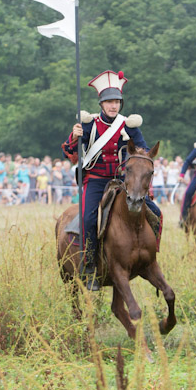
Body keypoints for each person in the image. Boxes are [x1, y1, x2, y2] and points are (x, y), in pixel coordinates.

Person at [62, 70, 162, 291]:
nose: (113, 106)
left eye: (116, 101)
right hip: (96, 180)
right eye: (109, 102)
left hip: (121, 182)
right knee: (88, 219)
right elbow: (69, 151)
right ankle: (89, 266)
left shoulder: (129, 126)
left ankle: (150, 257)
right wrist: (75, 135)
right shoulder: (89, 124)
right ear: (101, 104)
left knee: (155, 212)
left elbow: (142, 149)